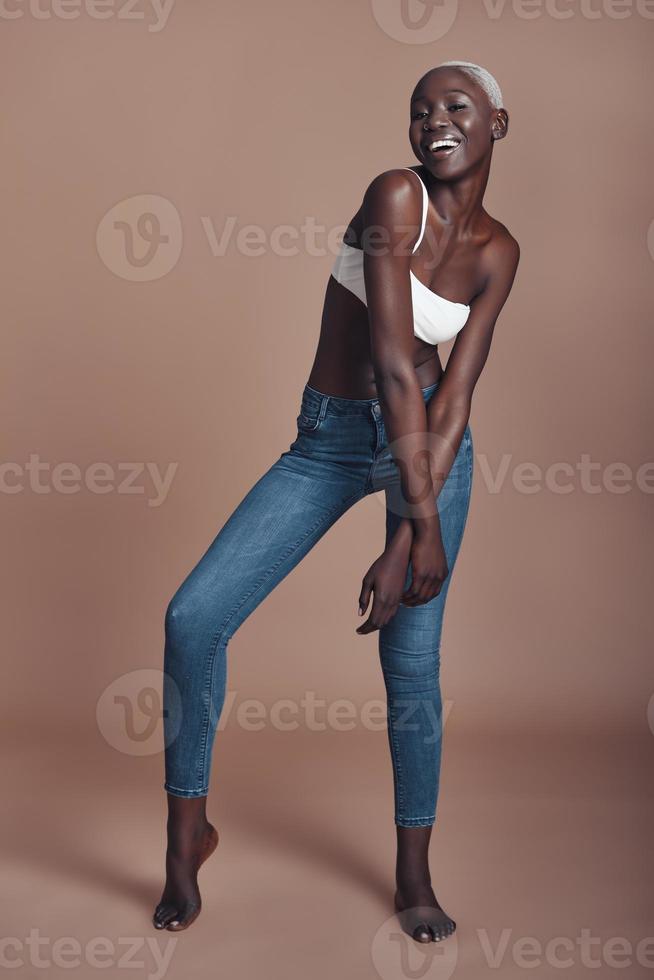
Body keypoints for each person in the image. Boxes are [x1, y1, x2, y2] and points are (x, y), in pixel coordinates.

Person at [153, 60, 520, 944]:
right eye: (420, 109)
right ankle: (184, 843)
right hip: (330, 440)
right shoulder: (395, 196)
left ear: (497, 125)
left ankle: (413, 875)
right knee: (193, 619)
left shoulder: (499, 252)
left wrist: (412, 527)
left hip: (431, 447)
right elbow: (394, 362)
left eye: (457, 105)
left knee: (410, 665)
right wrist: (414, 527)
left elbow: (454, 393)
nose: (436, 119)